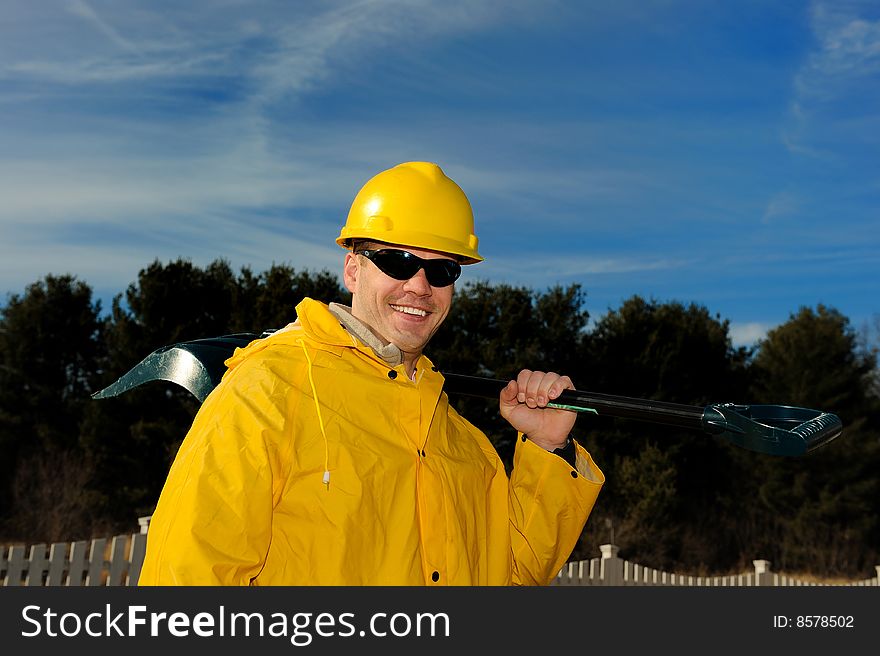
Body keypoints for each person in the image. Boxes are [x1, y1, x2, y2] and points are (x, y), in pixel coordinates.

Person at [138, 161, 604, 586]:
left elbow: (513, 577)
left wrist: (547, 448)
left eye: (441, 270)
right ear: (353, 270)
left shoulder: (462, 444)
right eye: (397, 261)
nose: (419, 285)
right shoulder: (270, 389)